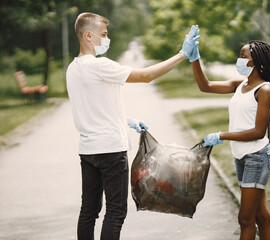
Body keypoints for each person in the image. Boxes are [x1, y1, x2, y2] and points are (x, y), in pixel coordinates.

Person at [66, 12, 199, 240]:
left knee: (88, 210)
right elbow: (146, 75)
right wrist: (182, 54)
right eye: (103, 35)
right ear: (89, 35)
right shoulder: (100, 65)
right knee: (116, 212)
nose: (106, 39)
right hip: (110, 150)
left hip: (88, 150)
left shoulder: (72, 69)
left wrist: (126, 121)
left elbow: (93, 107)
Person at [190, 39, 270, 240]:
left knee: (245, 219)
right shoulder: (241, 85)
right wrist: (195, 58)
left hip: (257, 156)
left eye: (243, 56)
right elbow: (206, 86)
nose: (238, 60)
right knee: (260, 215)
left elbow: (258, 131)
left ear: (256, 62)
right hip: (241, 156)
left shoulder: (264, 90)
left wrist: (222, 135)